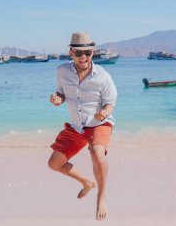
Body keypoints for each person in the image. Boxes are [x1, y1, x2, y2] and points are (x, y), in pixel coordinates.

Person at [48, 32, 117, 221]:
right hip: (77, 126)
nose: (83, 57)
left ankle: (101, 197)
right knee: (54, 164)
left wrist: (103, 113)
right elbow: (61, 94)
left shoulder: (102, 75)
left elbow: (110, 102)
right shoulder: (62, 71)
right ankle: (87, 182)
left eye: (87, 52)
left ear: (93, 52)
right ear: (71, 53)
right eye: (79, 53)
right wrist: (57, 99)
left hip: (99, 123)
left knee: (97, 152)